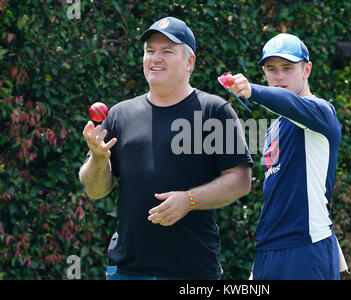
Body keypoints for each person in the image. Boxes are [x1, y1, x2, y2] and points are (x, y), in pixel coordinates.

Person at [79, 16, 253, 280]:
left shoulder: (214, 110)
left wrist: (189, 200)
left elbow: (240, 181)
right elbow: (96, 190)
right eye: (150, 51)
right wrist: (99, 159)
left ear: (189, 61)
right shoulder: (119, 115)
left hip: (192, 272)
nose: (155, 58)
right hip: (126, 271)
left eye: (167, 51)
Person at [229, 33, 344, 279]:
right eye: (271, 69)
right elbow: (276, 194)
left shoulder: (322, 112)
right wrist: (258, 265)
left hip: (307, 247)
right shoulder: (274, 129)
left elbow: (288, 102)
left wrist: (252, 91)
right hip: (269, 252)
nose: (278, 76)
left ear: (307, 70)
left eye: (287, 68)